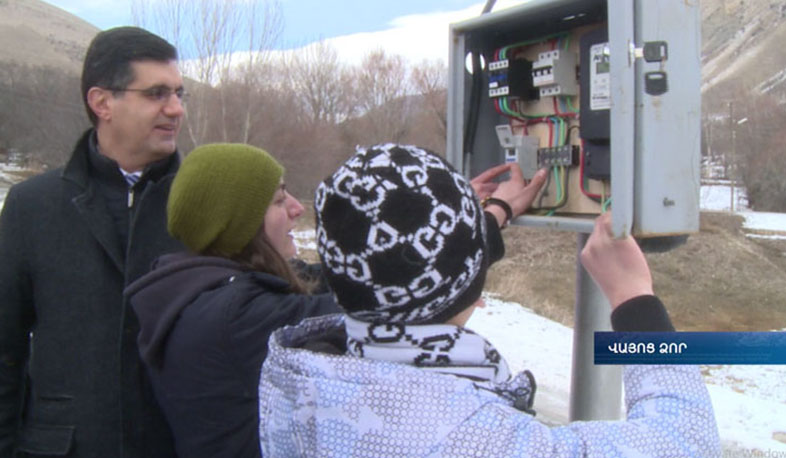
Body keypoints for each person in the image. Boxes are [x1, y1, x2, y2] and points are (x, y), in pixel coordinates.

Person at [258, 144, 721, 457]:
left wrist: (490, 217)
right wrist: (635, 302)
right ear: (470, 290)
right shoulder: (469, 438)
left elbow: (411, 263)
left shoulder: (306, 377)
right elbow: (686, 441)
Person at [125, 142, 544, 458]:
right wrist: (483, 217)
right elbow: (381, 290)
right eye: (276, 200)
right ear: (236, 224)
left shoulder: (198, 287)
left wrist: (437, 213)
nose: (295, 209)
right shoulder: (238, 319)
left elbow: (343, 276)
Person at [0, 27, 185, 457]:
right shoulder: (33, 206)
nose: (175, 109)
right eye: (157, 93)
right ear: (102, 102)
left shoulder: (204, 205)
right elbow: (4, 349)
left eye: (179, 93)